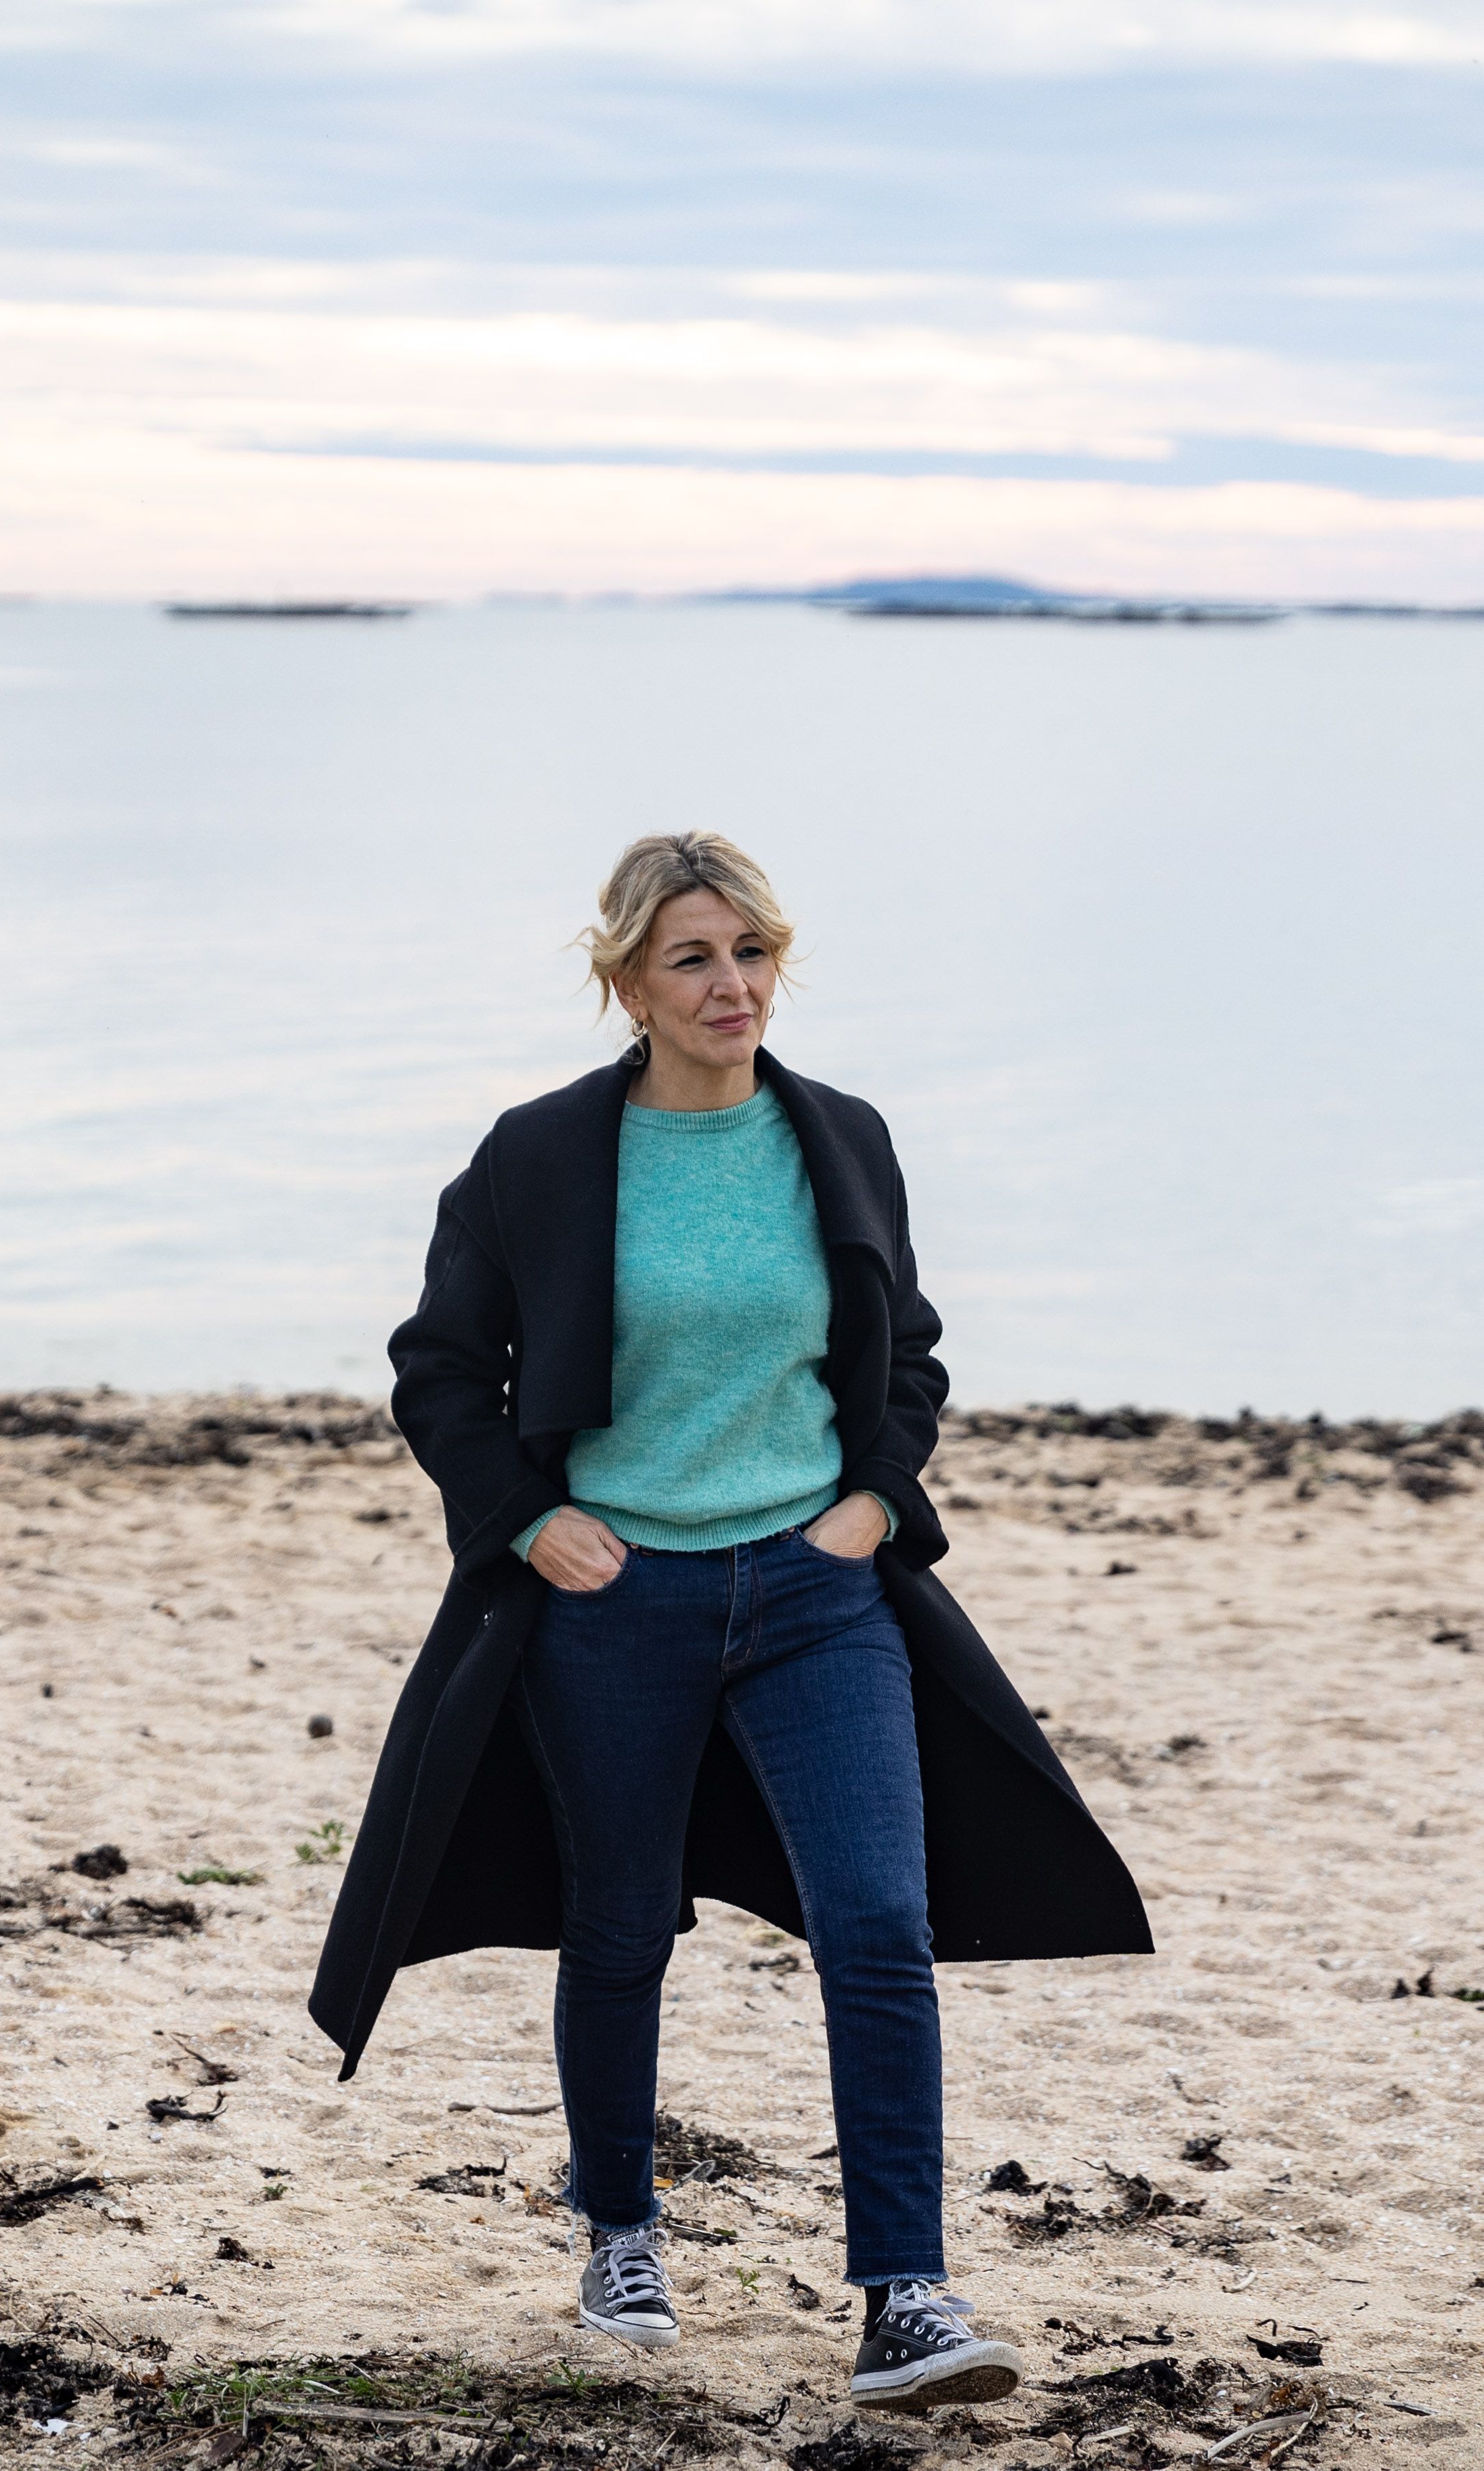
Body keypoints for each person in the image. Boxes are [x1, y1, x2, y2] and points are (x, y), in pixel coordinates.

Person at [307, 832, 1153, 2410]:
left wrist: (875, 1501)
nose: (732, 986)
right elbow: (439, 1367)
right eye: (693, 959)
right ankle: (620, 2228)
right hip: (615, 1602)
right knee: (623, 1926)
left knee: (878, 1925)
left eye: (753, 952)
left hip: (817, 1598)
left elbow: (905, 1349)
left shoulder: (840, 1137)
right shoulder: (539, 1157)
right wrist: (530, 1520)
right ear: (625, 979)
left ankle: (906, 2293)